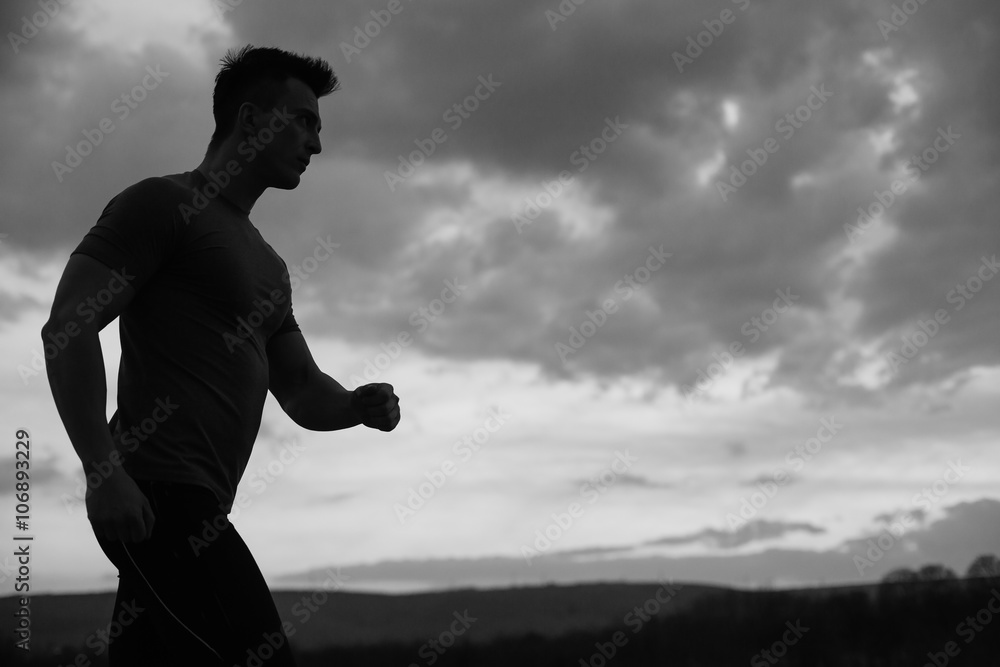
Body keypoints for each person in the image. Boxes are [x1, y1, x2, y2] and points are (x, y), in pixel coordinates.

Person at [41, 45, 400, 666]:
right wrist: (104, 472)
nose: (316, 143)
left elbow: (301, 389)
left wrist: (355, 405)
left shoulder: (270, 266)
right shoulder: (161, 204)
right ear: (252, 119)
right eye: (304, 120)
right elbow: (67, 328)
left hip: (196, 504)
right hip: (159, 497)